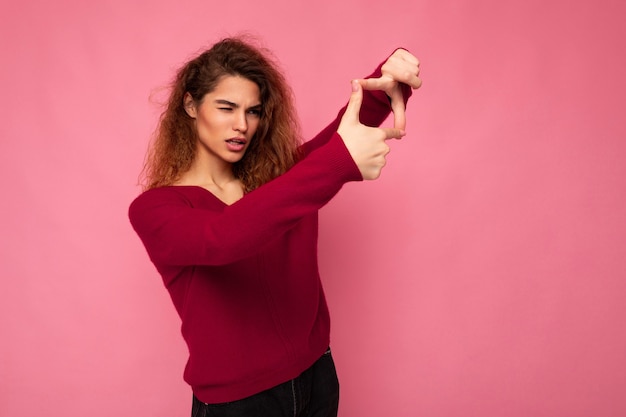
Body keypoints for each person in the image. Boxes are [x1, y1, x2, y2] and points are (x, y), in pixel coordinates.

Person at [129, 37, 421, 417]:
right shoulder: (155, 209)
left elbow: (336, 140)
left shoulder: (279, 180)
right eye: (226, 107)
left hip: (317, 375)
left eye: (253, 111)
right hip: (239, 402)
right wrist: (338, 161)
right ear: (190, 105)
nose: (242, 125)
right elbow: (223, 238)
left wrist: (387, 80)